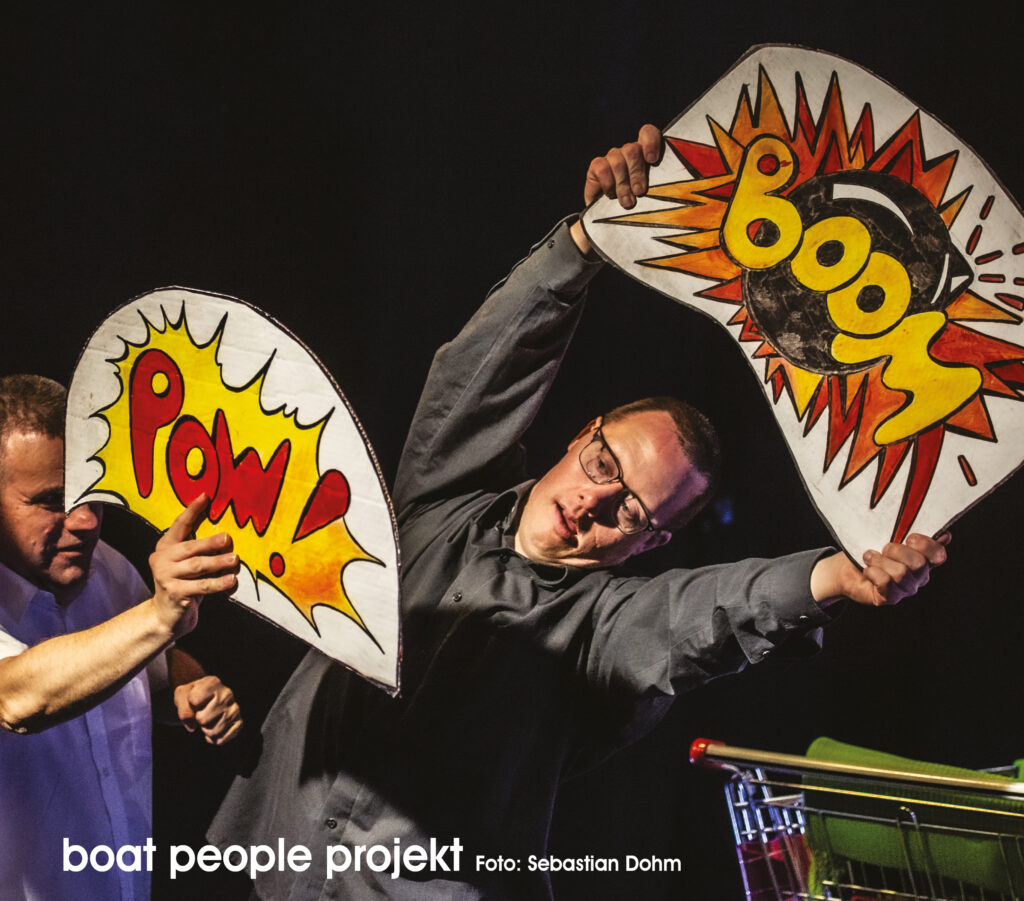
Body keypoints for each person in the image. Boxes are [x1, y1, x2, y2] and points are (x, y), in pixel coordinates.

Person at [209, 127, 949, 900]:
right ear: (580, 436)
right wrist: (589, 239)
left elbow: (702, 614)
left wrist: (834, 575)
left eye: (629, 509)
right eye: (603, 465)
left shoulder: (600, 632)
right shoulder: (441, 505)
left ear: (650, 541)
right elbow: (482, 370)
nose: (594, 501)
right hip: (267, 863)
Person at [0, 374, 243, 901]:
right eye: (52, 500)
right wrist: (158, 617)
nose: (87, 521)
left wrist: (189, 688)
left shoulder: (108, 569)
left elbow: (151, 670)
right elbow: (16, 698)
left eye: (93, 495)